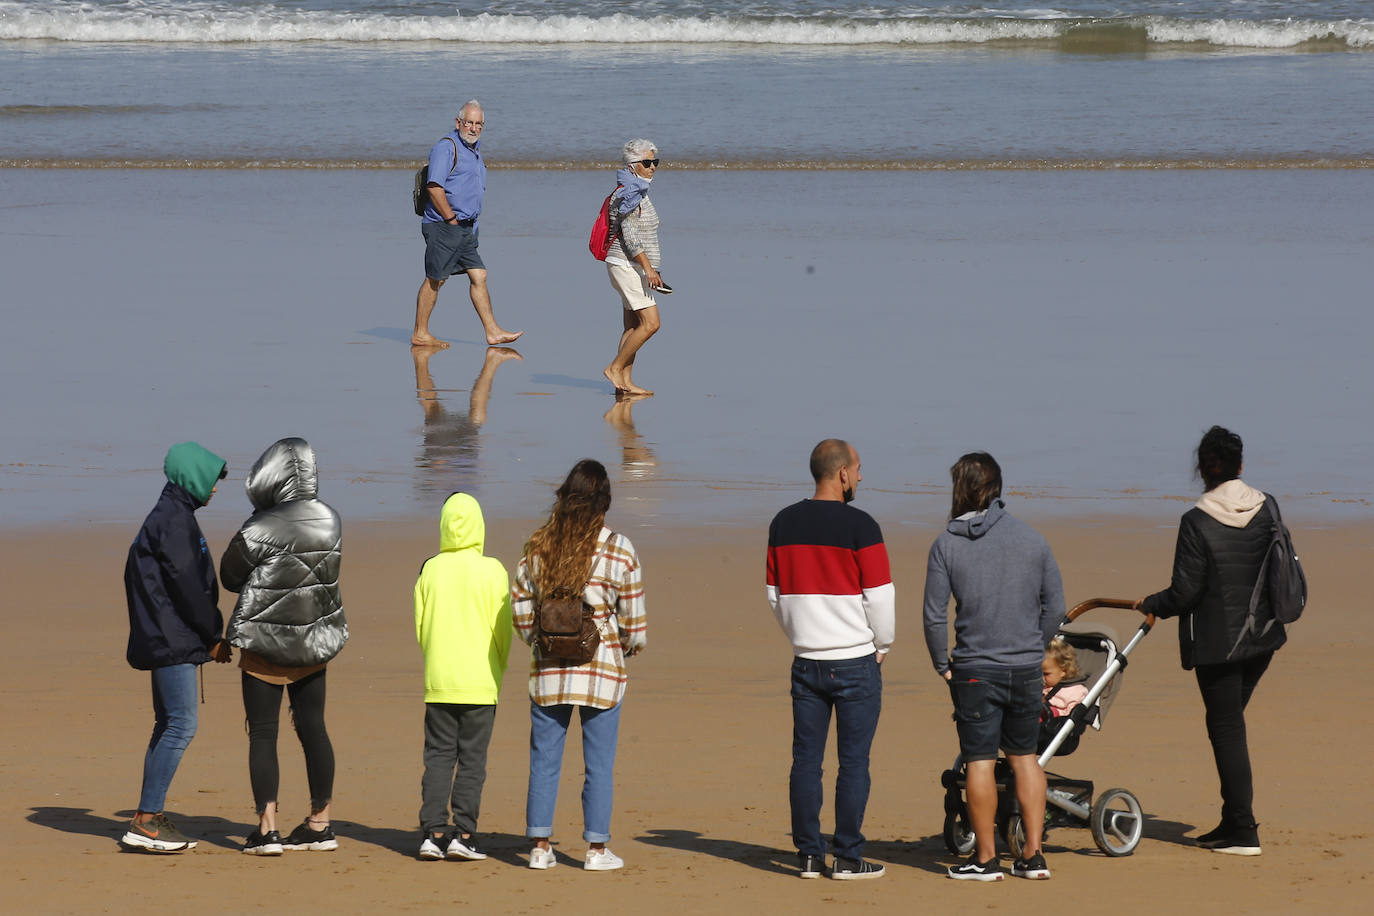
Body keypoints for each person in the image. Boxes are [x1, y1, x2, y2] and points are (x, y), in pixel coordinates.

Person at [1135, 426, 1287, 857]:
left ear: (1202, 470)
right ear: (1240, 464)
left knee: (1226, 729)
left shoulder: (1196, 521)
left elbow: (1185, 593)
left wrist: (1149, 603)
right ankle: (1231, 820)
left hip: (1220, 646)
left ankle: (1242, 830)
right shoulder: (1268, 506)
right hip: (1263, 638)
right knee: (1226, 726)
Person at [923, 452, 1063, 881]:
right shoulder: (1032, 538)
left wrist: (941, 664)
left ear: (960, 489)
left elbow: (934, 615)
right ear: (998, 488)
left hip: (974, 668)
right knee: (1025, 759)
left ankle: (986, 859)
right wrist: (1032, 647)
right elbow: (1054, 606)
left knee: (980, 762)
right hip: (1023, 667)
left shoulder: (947, 543)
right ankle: (1033, 856)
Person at [766, 438, 894, 880]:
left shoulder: (783, 522)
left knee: (807, 760)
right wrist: (884, 644)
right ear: (841, 473)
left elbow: (775, 595)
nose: (860, 476)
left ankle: (807, 854)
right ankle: (847, 856)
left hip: (807, 659)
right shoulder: (862, 525)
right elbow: (880, 598)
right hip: (856, 659)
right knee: (853, 762)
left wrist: (801, 635)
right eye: (857, 469)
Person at [511, 459, 647, 871]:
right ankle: (596, 849)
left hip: (549, 671)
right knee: (599, 766)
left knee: (544, 761)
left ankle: (539, 845)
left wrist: (541, 640)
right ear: (604, 502)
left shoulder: (539, 546)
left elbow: (519, 611)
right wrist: (624, 644)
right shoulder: (619, 548)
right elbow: (635, 627)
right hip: (602, 671)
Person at [221, 437, 348, 856]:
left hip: (264, 645)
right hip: (315, 640)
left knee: (263, 733)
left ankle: (268, 828)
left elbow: (230, 576)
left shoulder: (259, 527)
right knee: (315, 730)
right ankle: (321, 823)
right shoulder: (331, 519)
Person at [120, 442, 231, 853]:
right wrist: (213, 636)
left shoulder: (169, 515)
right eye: (211, 481)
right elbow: (190, 589)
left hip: (165, 636)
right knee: (181, 725)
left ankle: (147, 815)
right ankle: (147, 821)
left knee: (167, 724)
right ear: (191, 478)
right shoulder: (174, 521)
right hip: (173, 640)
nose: (216, 490)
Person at [414, 491, 513, 862]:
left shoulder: (430, 568)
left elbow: (422, 626)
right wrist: (499, 666)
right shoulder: (493, 570)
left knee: (438, 757)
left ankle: (434, 833)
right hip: (480, 681)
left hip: (439, 679)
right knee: (472, 760)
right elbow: (504, 629)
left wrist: (435, 660)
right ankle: (465, 834)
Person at [414, 100, 522, 349]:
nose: (473, 128)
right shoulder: (446, 147)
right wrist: (451, 219)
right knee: (436, 279)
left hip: (465, 228)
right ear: (458, 122)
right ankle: (420, 332)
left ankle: (492, 331)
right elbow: (434, 186)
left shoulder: (474, 151)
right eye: (469, 122)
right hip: (444, 225)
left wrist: (466, 225)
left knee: (479, 275)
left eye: (478, 124)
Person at [602, 139, 665, 397]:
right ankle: (615, 368)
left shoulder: (637, 189)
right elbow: (630, 236)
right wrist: (649, 269)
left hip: (631, 266)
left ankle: (624, 382)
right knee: (651, 324)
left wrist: (651, 268)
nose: (653, 167)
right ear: (631, 166)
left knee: (632, 326)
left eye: (655, 162)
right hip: (626, 265)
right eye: (647, 163)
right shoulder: (629, 192)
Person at [1042, 638, 1088, 719]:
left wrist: (1054, 712)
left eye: (1046, 674)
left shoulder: (1076, 692)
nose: (1041, 678)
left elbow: (1071, 716)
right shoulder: (1041, 685)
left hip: (1052, 722)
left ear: (1064, 671)